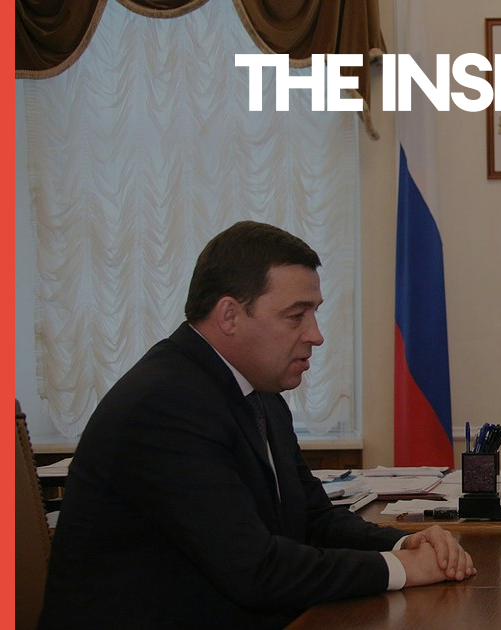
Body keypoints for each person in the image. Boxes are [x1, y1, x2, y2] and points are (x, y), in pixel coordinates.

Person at [40, 221, 475, 629]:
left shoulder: (260, 394)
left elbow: (313, 520)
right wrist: (400, 569)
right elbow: (255, 570)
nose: (316, 335)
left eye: (315, 313)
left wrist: (402, 544)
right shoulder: (165, 404)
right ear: (229, 315)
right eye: (296, 315)